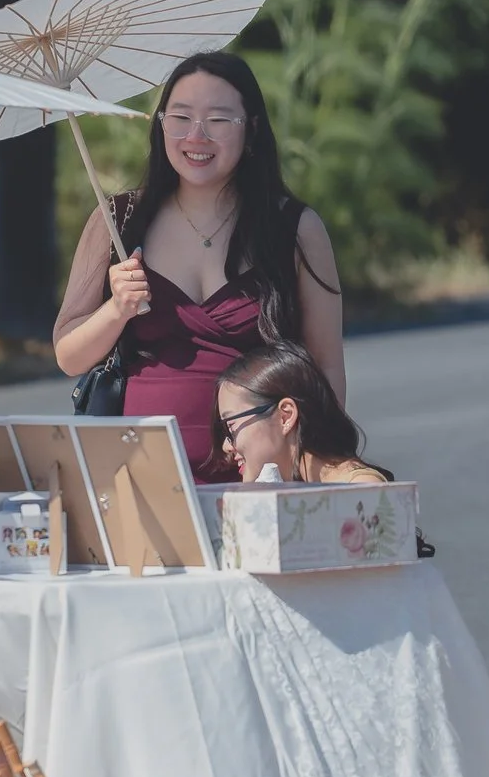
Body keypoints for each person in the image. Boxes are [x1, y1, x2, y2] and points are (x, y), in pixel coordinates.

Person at [52, 51, 344, 481]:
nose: (197, 136)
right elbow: (68, 356)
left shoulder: (296, 228)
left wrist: (326, 468)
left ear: (253, 131)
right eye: (181, 117)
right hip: (139, 477)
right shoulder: (116, 220)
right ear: (161, 125)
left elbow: (327, 366)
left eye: (220, 120)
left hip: (261, 483)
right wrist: (116, 310)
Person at [214, 341, 389, 484]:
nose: (226, 446)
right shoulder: (291, 489)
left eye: (230, 427)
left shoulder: (361, 489)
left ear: (285, 416)